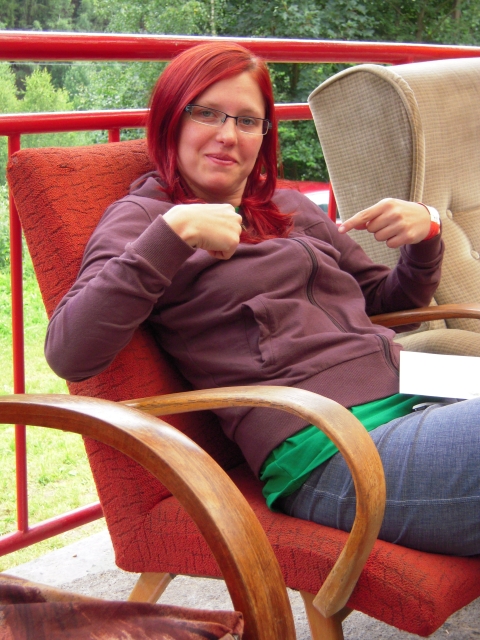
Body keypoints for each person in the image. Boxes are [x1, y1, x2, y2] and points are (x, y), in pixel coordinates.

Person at [45, 42, 480, 557]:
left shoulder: (289, 206)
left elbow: (387, 304)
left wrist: (426, 235)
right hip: (324, 437)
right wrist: (171, 234)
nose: (228, 135)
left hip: (412, 380)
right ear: (170, 120)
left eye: (248, 121)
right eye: (207, 113)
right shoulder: (143, 219)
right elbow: (70, 353)